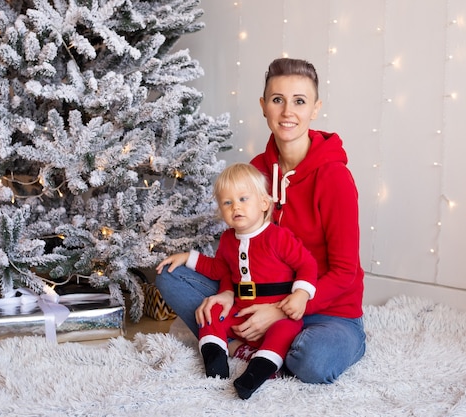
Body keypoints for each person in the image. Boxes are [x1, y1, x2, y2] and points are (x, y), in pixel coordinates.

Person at [155, 57, 366, 384]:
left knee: (314, 362)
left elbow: (343, 272)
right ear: (264, 106)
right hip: (254, 297)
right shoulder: (255, 170)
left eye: (299, 101)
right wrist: (227, 292)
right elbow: (238, 247)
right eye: (277, 100)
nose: (287, 112)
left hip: (327, 311)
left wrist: (281, 311)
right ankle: (257, 341)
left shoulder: (334, 177)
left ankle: (256, 342)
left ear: (315, 108)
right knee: (171, 275)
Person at [156, 163, 317, 399]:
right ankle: (216, 364)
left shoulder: (278, 236)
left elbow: (307, 265)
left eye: (243, 199)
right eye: (227, 202)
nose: (236, 207)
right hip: (242, 312)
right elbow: (219, 269)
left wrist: (300, 294)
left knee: (285, 330)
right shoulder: (229, 239)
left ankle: (256, 373)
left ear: (264, 203)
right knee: (212, 313)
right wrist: (188, 257)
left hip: (277, 312)